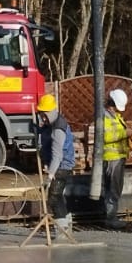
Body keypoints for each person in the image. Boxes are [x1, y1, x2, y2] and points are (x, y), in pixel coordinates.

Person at [36, 92, 76, 238]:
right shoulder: (51, 123)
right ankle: (67, 227)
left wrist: (51, 173)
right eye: (41, 115)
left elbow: (57, 154)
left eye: (44, 115)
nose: (43, 118)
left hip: (62, 166)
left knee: (54, 197)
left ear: (51, 112)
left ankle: (62, 231)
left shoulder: (58, 129)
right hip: (57, 164)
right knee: (58, 196)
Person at [101, 88, 129, 226]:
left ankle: (110, 216)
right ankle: (111, 219)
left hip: (117, 157)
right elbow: (105, 136)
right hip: (112, 158)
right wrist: (126, 134)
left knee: (113, 188)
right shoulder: (105, 117)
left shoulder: (114, 116)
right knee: (113, 189)